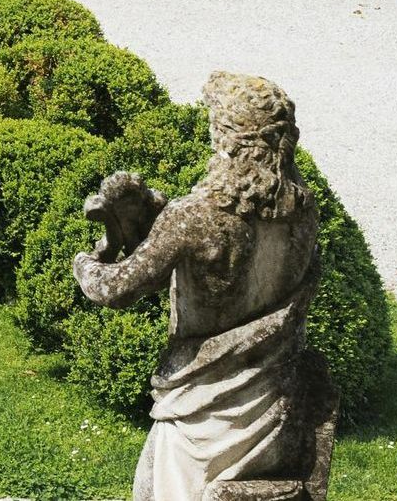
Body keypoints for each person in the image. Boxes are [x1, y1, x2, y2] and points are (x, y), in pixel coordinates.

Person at [73, 73, 326, 501]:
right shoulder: (304, 213)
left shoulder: (195, 217)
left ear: (225, 140)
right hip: (272, 399)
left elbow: (117, 289)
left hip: (202, 407)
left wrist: (87, 261)